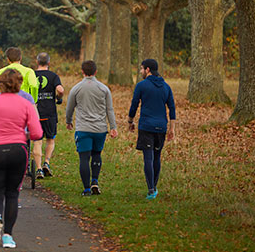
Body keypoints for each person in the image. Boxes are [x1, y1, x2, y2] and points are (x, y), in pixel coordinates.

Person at [0, 69, 43, 249]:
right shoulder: (26, 103)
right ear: (19, 83)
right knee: (12, 193)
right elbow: (37, 133)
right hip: (18, 149)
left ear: (0, 84)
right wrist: (23, 134)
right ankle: (8, 236)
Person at [65, 60, 118, 196]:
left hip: (83, 129)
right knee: (96, 155)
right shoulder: (104, 89)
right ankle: (95, 181)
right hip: (100, 129)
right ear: (95, 72)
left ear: (82, 72)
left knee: (84, 158)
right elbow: (109, 109)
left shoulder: (76, 89)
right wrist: (113, 127)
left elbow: (69, 108)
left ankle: (87, 188)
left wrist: (69, 121)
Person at [128, 59, 176, 200]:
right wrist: (172, 129)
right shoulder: (166, 87)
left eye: (142, 69)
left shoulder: (141, 86)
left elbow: (134, 104)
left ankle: (151, 189)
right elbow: (172, 108)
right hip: (161, 127)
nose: (141, 71)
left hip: (146, 126)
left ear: (148, 69)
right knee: (157, 157)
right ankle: (154, 188)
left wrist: (130, 121)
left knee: (148, 158)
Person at [34, 52, 64, 179]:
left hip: (35, 113)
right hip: (50, 112)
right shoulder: (53, 76)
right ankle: (47, 162)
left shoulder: (32, 75)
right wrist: (59, 98)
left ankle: (39, 168)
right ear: (49, 63)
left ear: (37, 62)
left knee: (37, 141)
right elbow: (61, 90)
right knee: (50, 139)